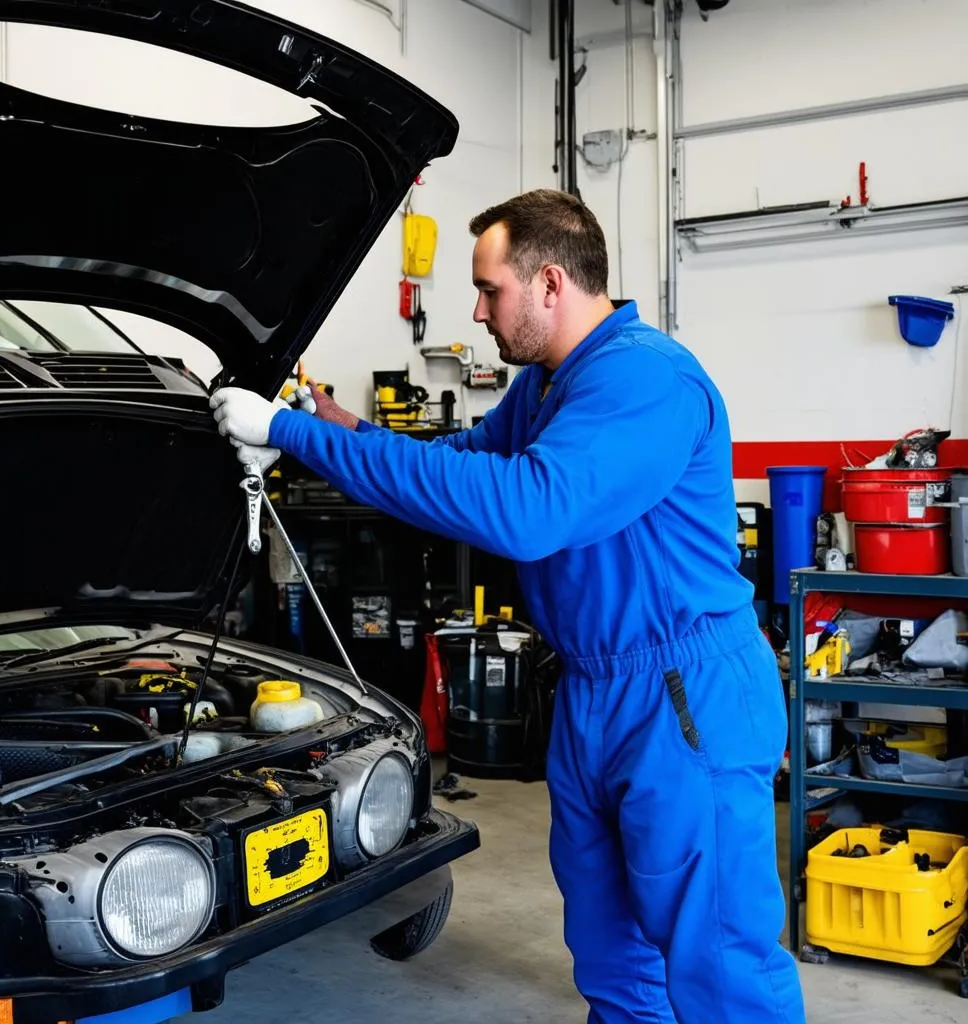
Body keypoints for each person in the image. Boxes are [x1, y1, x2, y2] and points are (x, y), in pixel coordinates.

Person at [210, 188, 806, 1024]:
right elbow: (455, 463)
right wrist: (331, 424)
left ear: (551, 282)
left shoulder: (647, 378)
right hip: (595, 689)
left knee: (717, 958)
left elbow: (526, 512)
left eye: (491, 290)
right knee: (611, 946)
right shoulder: (547, 387)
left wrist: (293, 435)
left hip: (681, 694)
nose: (480, 312)